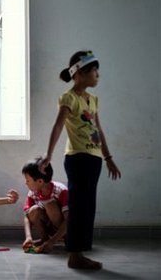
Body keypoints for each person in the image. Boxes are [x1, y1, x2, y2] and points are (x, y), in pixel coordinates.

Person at [39, 50, 121, 270]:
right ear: (79, 73)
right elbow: (58, 126)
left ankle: (80, 253)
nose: (98, 74)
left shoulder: (93, 100)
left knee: (88, 208)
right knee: (78, 207)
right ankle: (74, 255)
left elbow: (99, 131)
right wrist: (48, 154)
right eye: (94, 70)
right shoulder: (69, 98)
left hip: (93, 160)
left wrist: (108, 158)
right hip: (77, 159)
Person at [22, 157, 68, 254]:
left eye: (27, 180)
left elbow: (70, 220)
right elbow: (26, 215)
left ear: (40, 181)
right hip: (51, 228)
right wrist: (28, 237)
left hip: (65, 229)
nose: (25, 183)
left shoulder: (61, 191)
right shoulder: (33, 192)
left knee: (50, 205)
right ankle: (44, 239)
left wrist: (53, 241)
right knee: (33, 210)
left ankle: (66, 239)